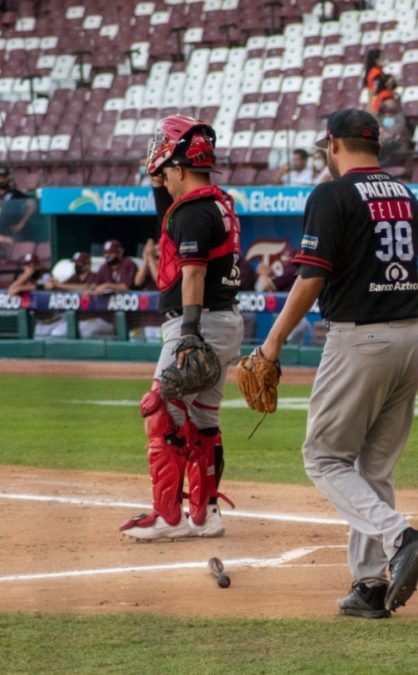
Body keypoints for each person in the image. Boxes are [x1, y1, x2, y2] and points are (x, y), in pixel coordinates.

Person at [255, 108, 418, 618]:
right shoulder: (406, 195)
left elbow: (311, 278)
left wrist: (270, 345)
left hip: (362, 339)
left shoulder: (331, 194)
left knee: (324, 457)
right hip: (410, 335)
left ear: (333, 145)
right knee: (373, 467)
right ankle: (370, 586)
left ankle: (400, 535)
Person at [118, 114, 244, 541]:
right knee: (204, 422)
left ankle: (167, 517)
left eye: (166, 173)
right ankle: (205, 515)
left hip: (198, 322)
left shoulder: (192, 213)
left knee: (162, 414)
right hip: (225, 322)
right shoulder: (213, 204)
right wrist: (156, 181)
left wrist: (189, 331)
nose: (163, 179)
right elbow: (169, 218)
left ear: (180, 168)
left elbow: (191, 274)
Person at [0, 166, 37, 251]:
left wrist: (22, 223)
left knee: (17, 249)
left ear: (7, 178)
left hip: (12, 232)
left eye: (2, 177)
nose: (0, 180)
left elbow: (32, 204)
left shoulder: (15, 194)